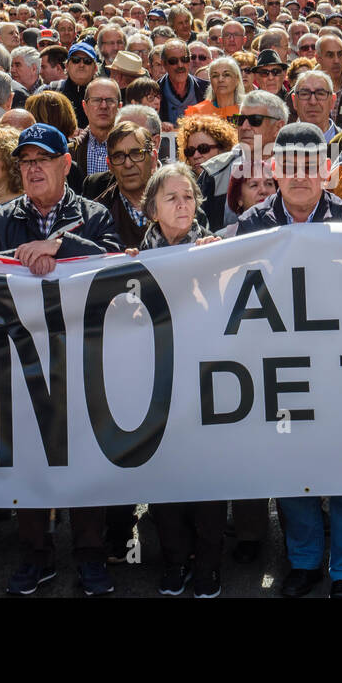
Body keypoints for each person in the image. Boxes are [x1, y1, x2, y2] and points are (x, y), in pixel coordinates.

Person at [0, 123, 122, 596]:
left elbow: (119, 264)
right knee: (30, 459)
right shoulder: (2, 219)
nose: (33, 167)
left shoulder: (95, 214)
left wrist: (62, 248)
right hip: (21, 358)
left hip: (82, 355)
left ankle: (88, 554)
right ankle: (35, 554)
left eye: (43, 159)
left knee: (83, 456)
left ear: (66, 164)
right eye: (25, 161)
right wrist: (22, 259)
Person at [233, 122, 342, 597]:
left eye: (310, 165)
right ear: (273, 168)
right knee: (294, 466)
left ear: (328, 170)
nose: (300, 175)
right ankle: (306, 560)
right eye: (290, 165)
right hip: (281, 368)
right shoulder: (252, 225)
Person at [130, 163, 224, 597]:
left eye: (188, 196)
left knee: (206, 479)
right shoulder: (135, 257)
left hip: (207, 383)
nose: (183, 204)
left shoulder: (218, 249)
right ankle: (174, 560)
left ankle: (207, 565)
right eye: (172, 198)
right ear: (152, 210)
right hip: (159, 386)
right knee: (165, 479)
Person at [198, 90, 288, 228]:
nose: (244, 127)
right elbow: (198, 228)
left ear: (278, 127)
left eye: (255, 120)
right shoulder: (215, 172)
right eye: (240, 120)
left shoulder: (296, 171)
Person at [95, 122, 159, 249]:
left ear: (153, 159)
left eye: (136, 153)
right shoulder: (96, 217)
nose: (128, 164)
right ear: (110, 165)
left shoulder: (181, 202)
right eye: (118, 157)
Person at [157, 39, 209, 124]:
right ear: (164, 64)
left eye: (184, 59)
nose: (180, 65)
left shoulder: (206, 89)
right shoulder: (154, 92)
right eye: (173, 61)